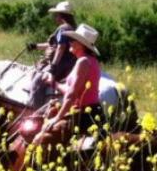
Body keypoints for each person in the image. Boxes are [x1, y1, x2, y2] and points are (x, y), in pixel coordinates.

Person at [32, 23, 105, 154]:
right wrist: (53, 83)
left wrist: (58, 118)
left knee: (40, 139)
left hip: (83, 114)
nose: (70, 43)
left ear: (81, 44)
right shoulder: (90, 60)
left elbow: (71, 95)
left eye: (73, 40)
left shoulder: (82, 62)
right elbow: (71, 89)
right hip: (90, 111)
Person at [26, 1, 77, 109]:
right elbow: (52, 45)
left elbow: (60, 47)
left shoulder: (63, 28)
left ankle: (33, 110)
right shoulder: (72, 28)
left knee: (37, 81)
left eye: (56, 15)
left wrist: (54, 66)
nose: (55, 17)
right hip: (71, 62)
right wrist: (35, 46)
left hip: (62, 63)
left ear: (60, 15)